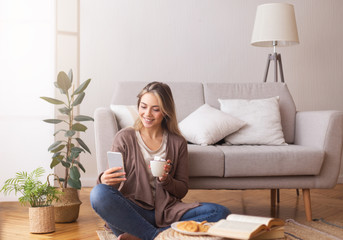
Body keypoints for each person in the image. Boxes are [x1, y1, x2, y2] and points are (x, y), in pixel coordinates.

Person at [90, 82, 230, 240]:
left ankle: (142, 235)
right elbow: (111, 187)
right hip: (132, 212)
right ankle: (158, 236)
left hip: (168, 211)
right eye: (143, 107)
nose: (147, 114)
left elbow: (182, 189)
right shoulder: (124, 137)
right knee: (98, 194)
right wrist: (104, 179)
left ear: (165, 111)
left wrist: (166, 180)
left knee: (221, 213)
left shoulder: (178, 142)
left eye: (155, 109)